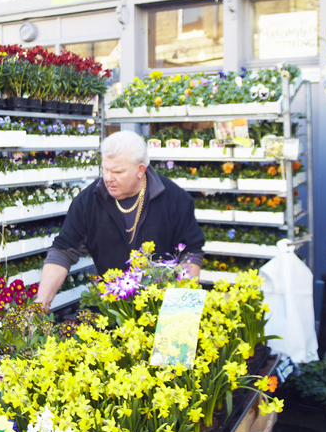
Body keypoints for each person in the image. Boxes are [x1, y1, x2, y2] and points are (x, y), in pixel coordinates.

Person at [35, 130, 204, 311]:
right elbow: (63, 250)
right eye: (105, 169)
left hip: (161, 308)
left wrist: (182, 311)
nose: (108, 178)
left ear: (140, 170)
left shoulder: (175, 199)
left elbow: (190, 252)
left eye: (117, 171)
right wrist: (41, 302)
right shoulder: (88, 201)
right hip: (110, 310)